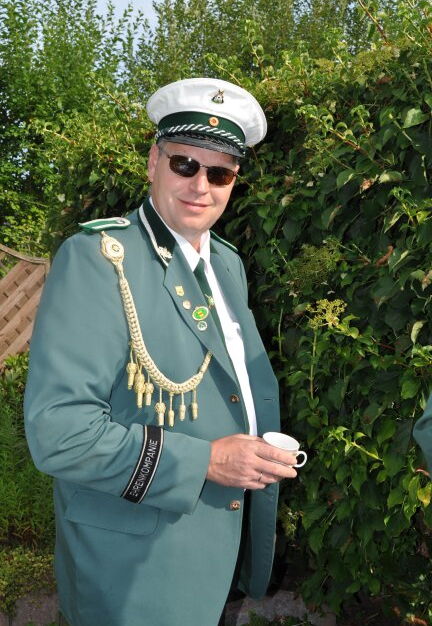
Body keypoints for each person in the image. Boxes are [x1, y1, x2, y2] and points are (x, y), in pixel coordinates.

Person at [24, 77, 300, 626]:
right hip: (130, 570)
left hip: (211, 550)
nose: (201, 185)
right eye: (184, 164)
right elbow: (59, 432)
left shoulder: (226, 264)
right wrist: (206, 461)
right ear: (154, 162)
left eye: (219, 173)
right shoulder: (99, 259)